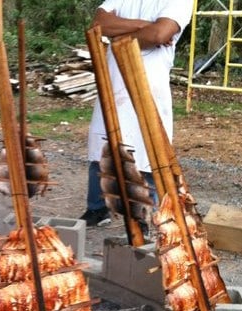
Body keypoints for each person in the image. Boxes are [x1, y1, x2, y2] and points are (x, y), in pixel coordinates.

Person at [80, 0, 193, 227]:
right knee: (102, 146)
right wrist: (143, 26)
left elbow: (160, 34)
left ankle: (140, 215)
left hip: (149, 86)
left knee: (146, 150)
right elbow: (98, 23)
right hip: (113, 80)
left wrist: (119, 36)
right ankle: (98, 207)